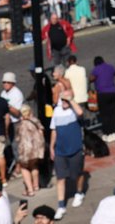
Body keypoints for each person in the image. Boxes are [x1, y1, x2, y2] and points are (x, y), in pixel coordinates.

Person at [48, 89, 85, 220]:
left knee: (77, 174)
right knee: (60, 178)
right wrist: (51, 147)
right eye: (62, 99)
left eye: (66, 99)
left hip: (75, 149)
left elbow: (80, 113)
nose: (64, 101)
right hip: (60, 151)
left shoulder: (75, 110)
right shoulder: (56, 111)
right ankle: (61, 206)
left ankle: (79, 193)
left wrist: (70, 100)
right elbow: (54, 130)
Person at [13, 105, 46, 198]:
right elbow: (41, 131)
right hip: (37, 149)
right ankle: (36, 186)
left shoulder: (21, 124)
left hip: (26, 150)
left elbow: (19, 138)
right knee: (34, 165)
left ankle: (30, 190)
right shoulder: (35, 120)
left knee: (24, 168)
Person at [89, 56, 115, 141]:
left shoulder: (96, 69)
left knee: (104, 114)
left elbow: (91, 78)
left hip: (102, 94)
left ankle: (108, 133)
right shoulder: (110, 66)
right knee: (112, 113)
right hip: (113, 92)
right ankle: (114, 133)